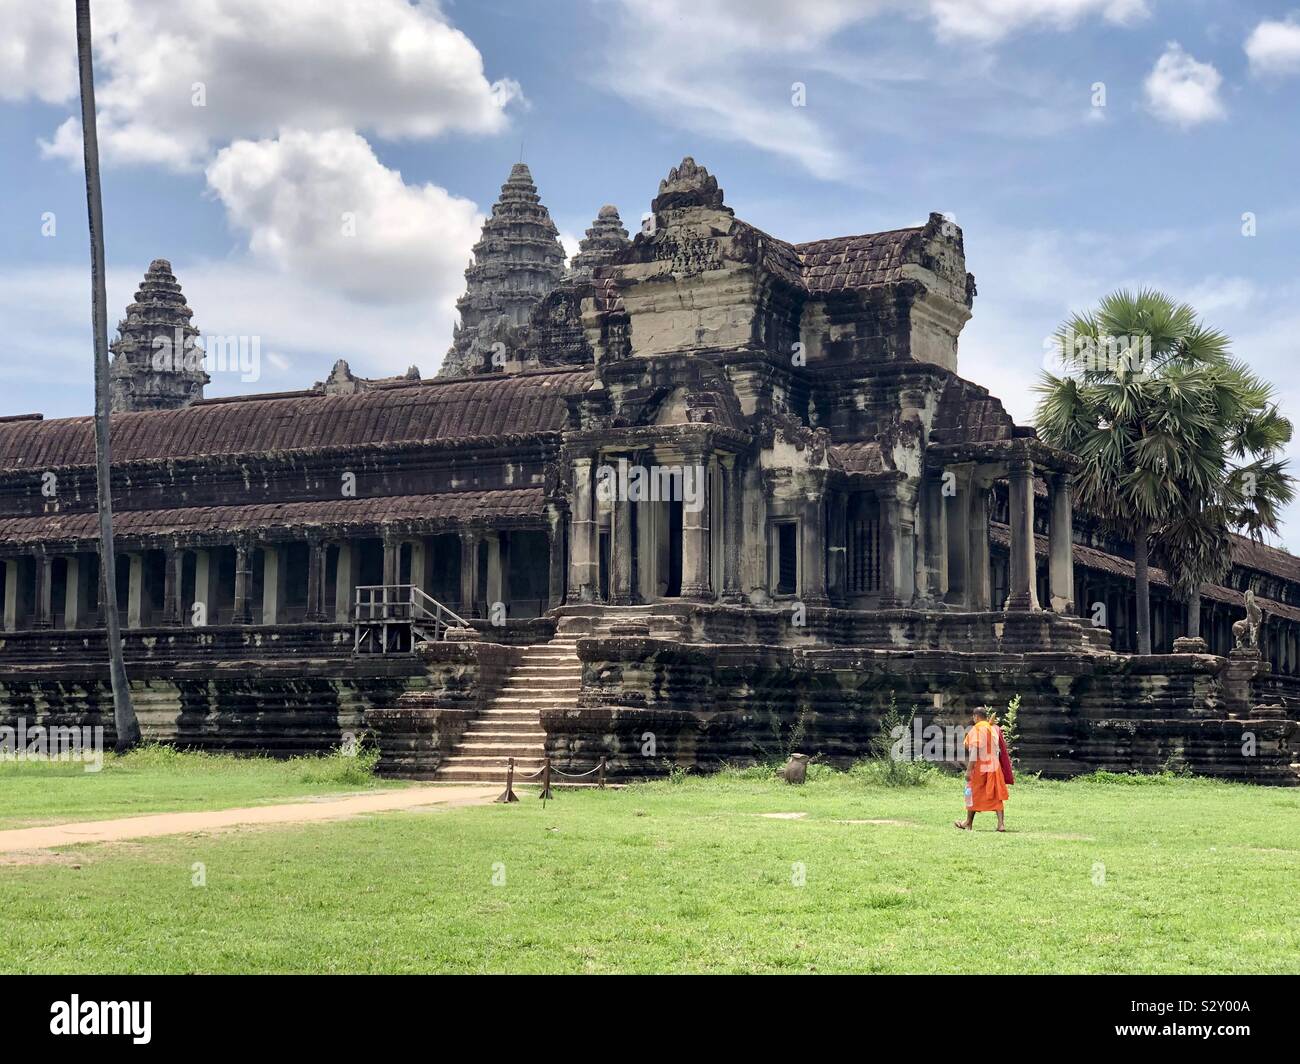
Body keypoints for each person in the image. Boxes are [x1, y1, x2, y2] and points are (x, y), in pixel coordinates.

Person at [954, 707, 1009, 832]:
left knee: (971, 792)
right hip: (994, 765)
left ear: (976, 717)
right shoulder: (993, 728)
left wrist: (969, 770)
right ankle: (1001, 824)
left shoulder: (977, 729)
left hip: (980, 767)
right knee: (996, 794)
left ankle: (968, 822)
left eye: (973, 717)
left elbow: (974, 751)